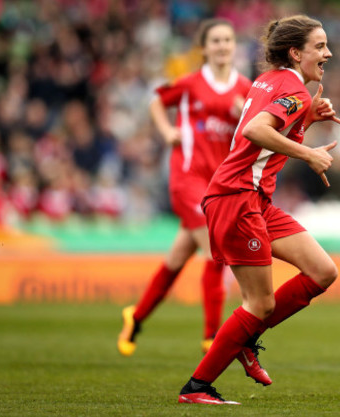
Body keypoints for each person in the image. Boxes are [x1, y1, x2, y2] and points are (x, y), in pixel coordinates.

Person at [177, 15, 340, 405]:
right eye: (319, 46)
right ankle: (197, 387)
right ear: (295, 52)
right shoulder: (294, 90)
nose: (328, 53)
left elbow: (265, 131)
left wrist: (307, 117)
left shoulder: (271, 81)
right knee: (260, 303)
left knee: (323, 271)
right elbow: (255, 130)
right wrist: (308, 154)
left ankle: (245, 336)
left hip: (254, 200)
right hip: (236, 198)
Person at [118, 19, 252, 356]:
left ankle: (136, 315)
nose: (222, 46)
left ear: (234, 46)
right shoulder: (190, 83)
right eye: (216, 40)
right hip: (187, 178)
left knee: (178, 257)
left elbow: (256, 131)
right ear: (204, 48)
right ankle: (211, 337)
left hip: (220, 182)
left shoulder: (246, 88)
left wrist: (244, 117)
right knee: (214, 247)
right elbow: (155, 101)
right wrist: (166, 132)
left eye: (228, 40)